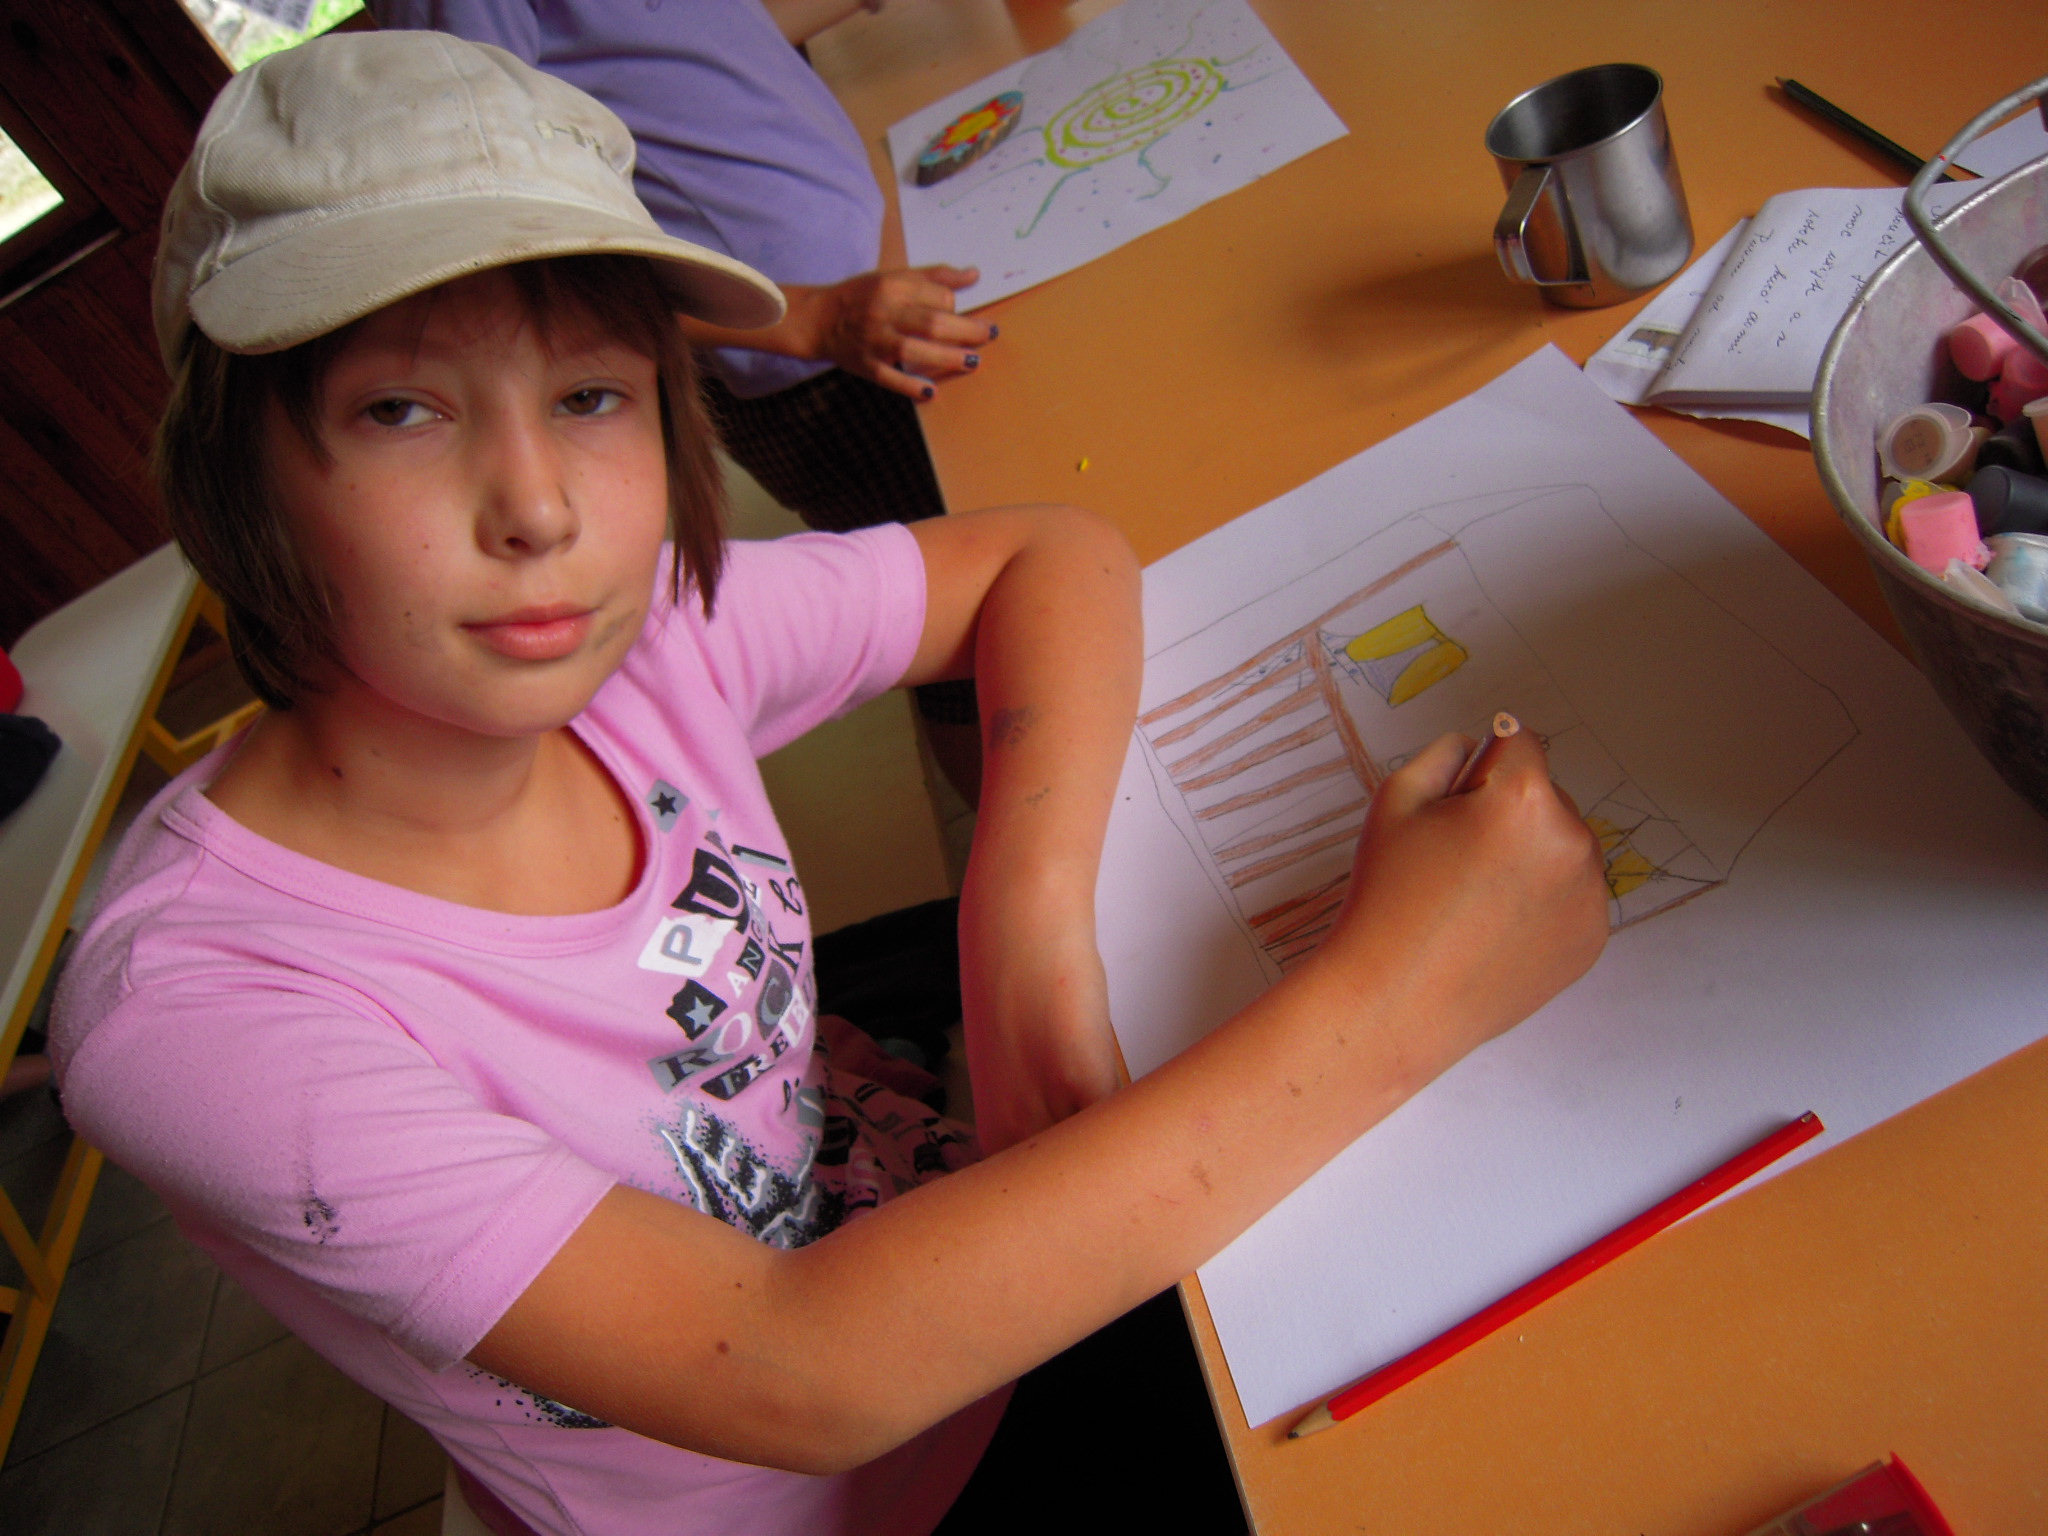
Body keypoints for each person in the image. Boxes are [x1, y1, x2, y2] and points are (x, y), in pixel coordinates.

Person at [49, 34, 1609, 1536]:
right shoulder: (196, 1010)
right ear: (237, 481)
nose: (537, 510)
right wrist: (1407, 997)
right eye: (401, 409)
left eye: (590, 395)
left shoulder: (635, 636)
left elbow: (1050, 557)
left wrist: (1020, 935)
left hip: (915, 1173)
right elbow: (797, 1374)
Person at [371, 0, 996, 797]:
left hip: (878, 273)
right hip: (810, 356)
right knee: (944, 627)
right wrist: (809, 318)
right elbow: (508, 254)